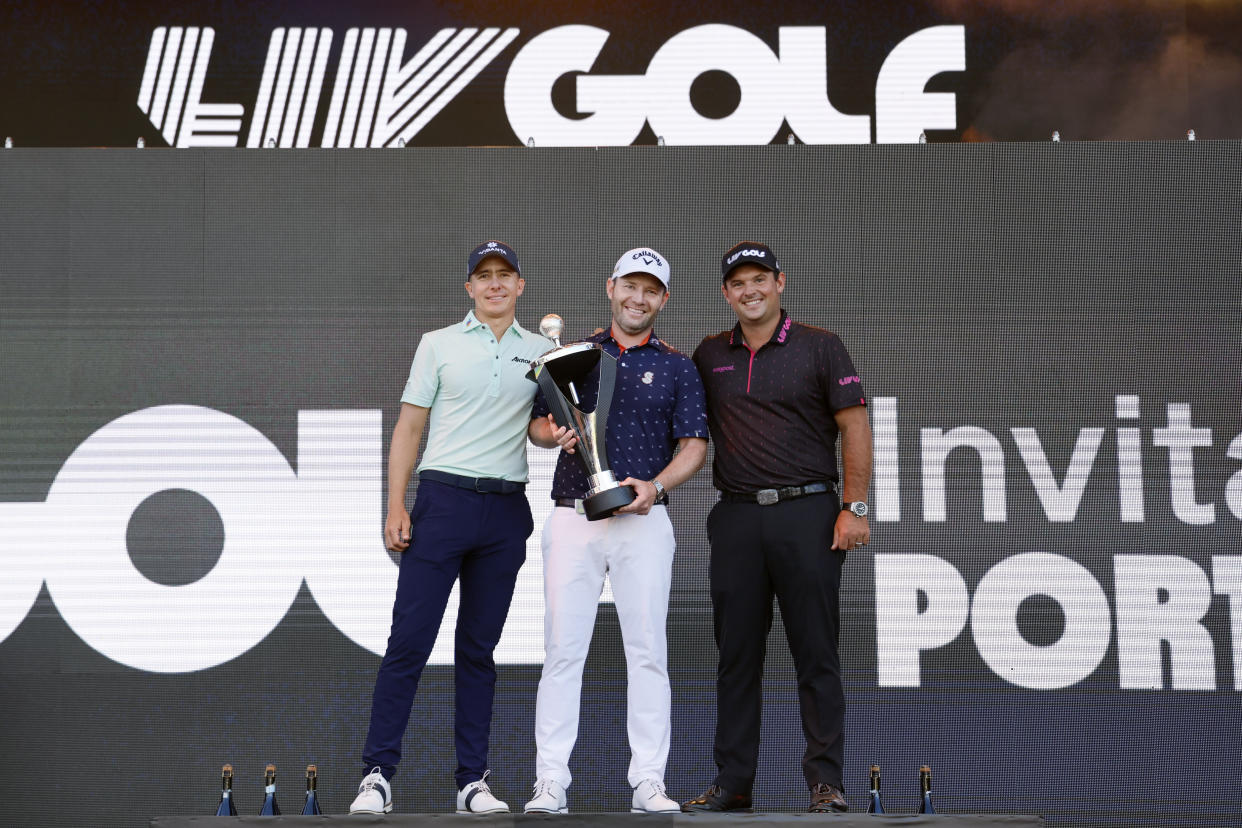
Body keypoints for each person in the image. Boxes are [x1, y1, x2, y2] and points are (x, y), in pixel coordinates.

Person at [350, 240, 573, 816]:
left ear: (520, 286)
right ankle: (376, 774)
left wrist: (557, 437)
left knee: (478, 650)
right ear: (469, 288)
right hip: (443, 501)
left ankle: (473, 781)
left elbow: (539, 428)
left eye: (505, 275)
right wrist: (396, 504)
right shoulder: (438, 344)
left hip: (504, 510)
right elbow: (409, 428)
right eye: (484, 276)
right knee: (410, 640)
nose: (495, 284)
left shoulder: (538, 350)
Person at [683, 241, 872, 815]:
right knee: (736, 659)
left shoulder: (821, 345)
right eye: (738, 282)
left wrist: (855, 507)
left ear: (780, 282)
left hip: (809, 514)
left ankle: (826, 784)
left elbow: (855, 426)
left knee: (816, 655)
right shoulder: (708, 353)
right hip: (738, 516)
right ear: (725, 293)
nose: (750, 290)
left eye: (760, 279)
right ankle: (734, 784)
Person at [523, 247, 708, 815]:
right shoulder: (571, 354)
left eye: (650, 289)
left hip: (644, 521)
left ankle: (648, 780)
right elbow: (535, 425)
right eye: (630, 286)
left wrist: (655, 485)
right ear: (611, 287)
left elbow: (695, 445)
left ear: (664, 299)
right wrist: (553, 437)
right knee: (562, 652)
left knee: (648, 652)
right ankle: (550, 781)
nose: (638, 298)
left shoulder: (678, 365)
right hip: (573, 515)